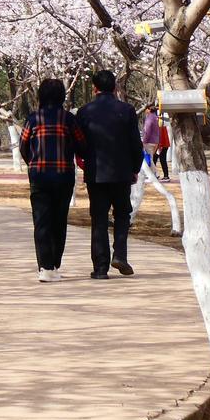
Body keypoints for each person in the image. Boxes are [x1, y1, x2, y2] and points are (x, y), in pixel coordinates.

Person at [76, 70, 143, 279]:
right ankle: (120, 254)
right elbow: (135, 143)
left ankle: (100, 268)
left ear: (95, 88)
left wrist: (82, 158)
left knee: (99, 218)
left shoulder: (85, 111)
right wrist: (135, 168)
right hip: (122, 172)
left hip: (96, 173)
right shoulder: (127, 110)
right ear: (115, 87)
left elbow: (79, 142)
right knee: (122, 214)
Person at [19, 79, 85, 283]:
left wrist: (33, 162)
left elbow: (23, 146)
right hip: (63, 176)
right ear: (61, 96)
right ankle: (54, 264)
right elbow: (82, 145)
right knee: (59, 220)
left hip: (39, 176)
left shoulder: (33, 118)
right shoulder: (68, 119)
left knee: (41, 222)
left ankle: (45, 267)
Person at [141, 105, 160, 170]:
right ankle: (154, 174)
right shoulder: (155, 117)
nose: (145, 111)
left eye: (146, 109)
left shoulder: (149, 118)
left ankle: (155, 174)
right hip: (155, 141)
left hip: (149, 141)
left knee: (148, 159)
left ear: (149, 109)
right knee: (150, 158)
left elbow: (147, 131)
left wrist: (144, 141)